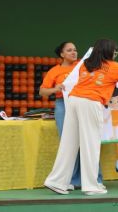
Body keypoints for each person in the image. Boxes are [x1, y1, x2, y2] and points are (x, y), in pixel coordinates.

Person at [44, 38, 118, 195]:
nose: (116, 53)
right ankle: (90, 186)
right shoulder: (113, 66)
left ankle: (56, 181)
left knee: (68, 144)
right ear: (109, 51)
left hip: (73, 100)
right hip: (90, 103)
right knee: (90, 144)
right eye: (115, 51)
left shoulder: (86, 64)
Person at [39, 42, 103, 189]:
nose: (73, 52)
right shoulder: (54, 71)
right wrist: (55, 89)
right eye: (69, 50)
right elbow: (42, 92)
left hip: (84, 102)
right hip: (63, 104)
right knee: (68, 142)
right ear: (61, 54)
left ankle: (95, 179)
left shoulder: (84, 66)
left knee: (89, 140)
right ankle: (71, 180)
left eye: (75, 50)